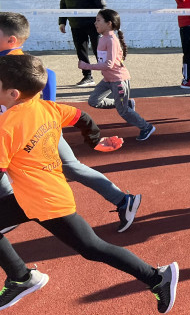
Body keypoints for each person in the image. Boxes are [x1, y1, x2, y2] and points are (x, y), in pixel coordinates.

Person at [0, 55, 178, 314]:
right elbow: (81, 116)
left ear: (13, 93)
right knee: (92, 248)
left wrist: (94, 141)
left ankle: (157, 277)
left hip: (46, 203)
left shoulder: (7, 126)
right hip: (36, 195)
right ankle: (20, 277)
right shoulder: (47, 108)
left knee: (93, 248)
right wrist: (94, 140)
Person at [0, 12, 141, 234]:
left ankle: (123, 200)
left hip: (30, 130)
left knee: (68, 169)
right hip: (29, 127)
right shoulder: (10, 58)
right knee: (71, 168)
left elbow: (50, 76)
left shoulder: (12, 60)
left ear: (11, 39)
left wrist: (46, 112)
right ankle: (123, 200)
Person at [80, 9, 156, 142]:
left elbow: (108, 64)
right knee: (93, 101)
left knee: (123, 111)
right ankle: (127, 104)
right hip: (108, 79)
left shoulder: (111, 40)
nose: (95, 23)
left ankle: (146, 127)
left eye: (98, 20)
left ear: (109, 23)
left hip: (118, 80)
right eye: (95, 20)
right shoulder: (103, 38)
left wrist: (87, 66)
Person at [59, 0, 105, 87]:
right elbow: (63, 5)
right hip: (76, 25)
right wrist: (62, 22)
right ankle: (87, 77)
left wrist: (104, 22)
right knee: (81, 52)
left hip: (93, 24)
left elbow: (100, 3)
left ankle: (107, 77)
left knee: (99, 51)